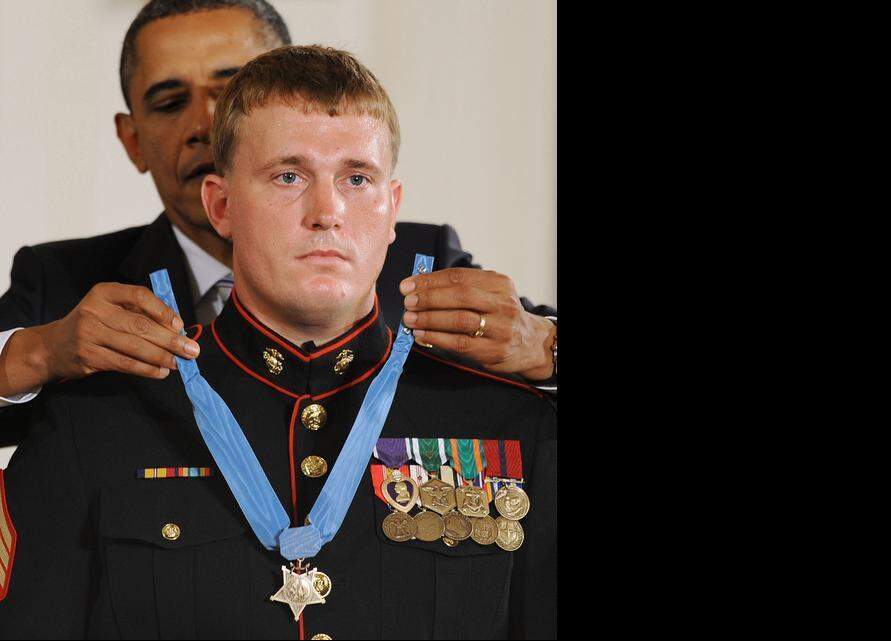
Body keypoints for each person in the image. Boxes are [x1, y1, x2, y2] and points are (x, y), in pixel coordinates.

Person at [0, 45, 555, 638]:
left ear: (393, 210)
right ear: (221, 205)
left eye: (357, 178)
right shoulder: (96, 418)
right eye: (289, 176)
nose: (327, 211)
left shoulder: (511, 416)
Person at [0, 0, 557, 421]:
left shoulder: (418, 263)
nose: (207, 125)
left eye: (239, 90)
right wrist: (38, 354)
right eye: (170, 102)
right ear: (132, 141)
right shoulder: (64, 285)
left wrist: (543, 346)